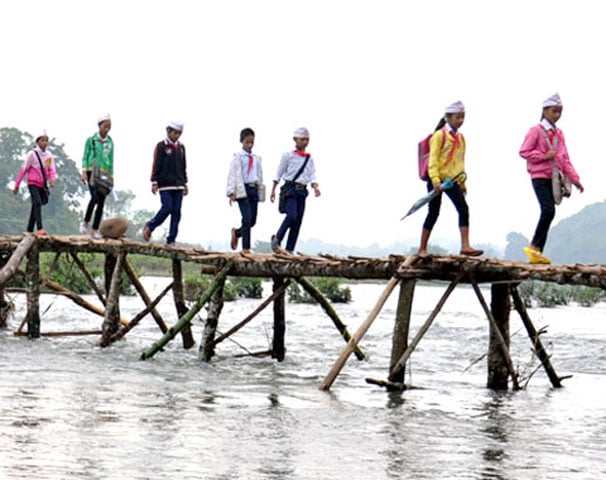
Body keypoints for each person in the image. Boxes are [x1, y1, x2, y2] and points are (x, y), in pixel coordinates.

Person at [519, 93, 584, 264]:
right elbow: (524, 151)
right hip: (539, 176)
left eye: (560, 112)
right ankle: (535, 247)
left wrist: (575, 179)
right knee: (548, 210)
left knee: (550, 211)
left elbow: (565, 159)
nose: (557, 115)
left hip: (553, 178)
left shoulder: (559, 134)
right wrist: (543, 155)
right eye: (554, 111)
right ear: (545, 111)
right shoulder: (536, 130)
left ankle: (537, 251)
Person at [417, 101, 483, 257]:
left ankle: (465, 246)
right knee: (434, 212)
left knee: (463, 209)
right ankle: (422, 248)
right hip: (438, 179)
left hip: (453, 180)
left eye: (462, 117)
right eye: (457, 117)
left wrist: (463, 184)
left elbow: (460, 162)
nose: (460, 121)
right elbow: (433, 160)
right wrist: (435, 180)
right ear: (448, 117)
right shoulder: (439, 135)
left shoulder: (460, 138)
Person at [270, 127, 321, 253]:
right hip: (290, 190)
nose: (305, 142)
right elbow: (279, 172)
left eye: (307, 139)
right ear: (295, 140)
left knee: (298, 221)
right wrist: (273, 189)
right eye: (302, 139)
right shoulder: (288, 155)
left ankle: (289, 249)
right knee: (291, 216)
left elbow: (312, 175)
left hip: (302, 191)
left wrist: (315, 187)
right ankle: (277, 237)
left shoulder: (309, 158)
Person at [143, 121, 188, 245]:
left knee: (177, 212)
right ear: (168, 131)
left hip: (178, 184)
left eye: (179, 133)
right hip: (165, 184)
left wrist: (185, 183)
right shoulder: (161, 146)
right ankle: (151, 225)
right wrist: (154, 181)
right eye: (175, 133)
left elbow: (183, 166)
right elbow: (156, 164)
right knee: (167, 208)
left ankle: (171, 239)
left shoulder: (181, 147)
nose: (177, 136)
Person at [227, 127, 264, 253]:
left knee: (253, 221)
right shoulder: (238, 157)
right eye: (247, 142)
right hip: (243, 190)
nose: (249, 145)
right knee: (246, 218)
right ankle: (246, 248)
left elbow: (259, 175)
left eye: (251, 142)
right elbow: (232, 175)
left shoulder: (256, 158)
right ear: (242, 142)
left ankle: (237, 233)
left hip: (254, 189)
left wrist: (261, 191)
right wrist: (231, 192)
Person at [13, 130, 57, 235]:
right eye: (42, 140)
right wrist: (17, 185)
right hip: (32, 183)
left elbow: (51, 169)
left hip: (42, 184)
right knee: (37, 202)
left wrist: (52, 179)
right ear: (37, 142)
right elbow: (23, 169)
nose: (45, 143)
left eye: (46, 140)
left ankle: (29, 229)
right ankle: (40, 228)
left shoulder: (48, 156)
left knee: (36, 205)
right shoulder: (32, 154)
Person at [80, 114, 114, 239]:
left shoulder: (110, 142)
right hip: (91, 172)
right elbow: (85, 156)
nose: (107, 129)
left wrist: (111, 176)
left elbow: (111, 159)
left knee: (101, 202)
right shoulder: (91, 140)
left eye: (109, 127)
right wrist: (84, 172)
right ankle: (85, 222)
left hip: (104, 174)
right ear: (100, 126)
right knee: (94, 197)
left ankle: (94, 230)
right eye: (105, 126)